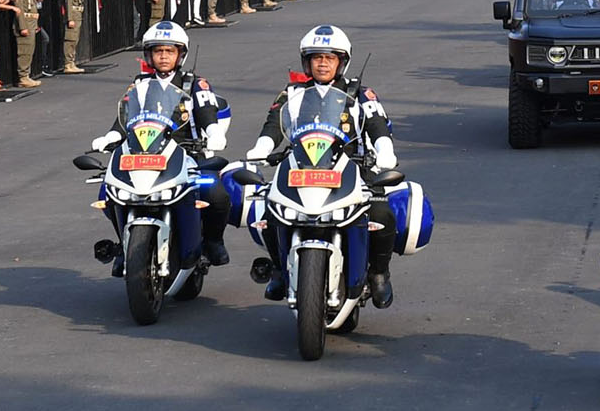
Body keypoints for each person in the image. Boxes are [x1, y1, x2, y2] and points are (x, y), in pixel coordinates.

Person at [243, 24, 399, 306]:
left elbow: (377, 125)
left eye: (330, 57)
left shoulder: (361, 94)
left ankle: (379, 273)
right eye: (317, 57)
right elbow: (274, 124)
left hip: (351, 168)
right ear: (307, 62)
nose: (323, 63)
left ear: (342, 62)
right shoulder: (292, 93)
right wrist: (262, 146)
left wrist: (385, 150)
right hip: (302, 167)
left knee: (381, 213)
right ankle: (279, 269)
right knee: (270, 209)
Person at [87, 20, 232, 270]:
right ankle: (125, 244)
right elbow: (125, 117)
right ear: (149, 55)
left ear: (180, 54)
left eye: (169, 51)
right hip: (145, 153)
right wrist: (110, 137)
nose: (163, 56)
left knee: (215, 192)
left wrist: (213, 131)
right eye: (158, 51)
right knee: (107, 192)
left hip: (186, 152)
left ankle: (212, 242)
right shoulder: (140, 84)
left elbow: (207, 110)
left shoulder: (195, 83)